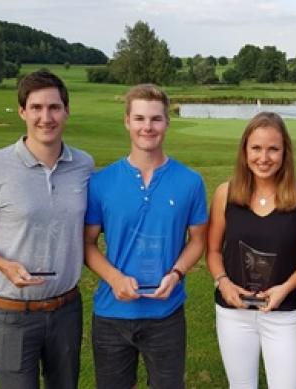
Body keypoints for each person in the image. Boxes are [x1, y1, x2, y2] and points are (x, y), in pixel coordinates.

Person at [0, 70, 93, 388]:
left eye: (54, 107)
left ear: (67, 111)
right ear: (22, 112)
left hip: (67, 309)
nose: (46, 117)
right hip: (13, 312)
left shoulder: (84, 165)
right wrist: (2, 264)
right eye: (36, 108)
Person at [84, 84, 208, 389]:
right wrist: (114, 278)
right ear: (127, 121)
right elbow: (87, 245)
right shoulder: (101, 182)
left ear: (167, 122)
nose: (147, 127)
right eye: (139, 118)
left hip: (166, 314)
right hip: (112, 314)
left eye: (155, 119)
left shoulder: (190, 182)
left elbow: (199, 241)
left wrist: (177, 273)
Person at [206, 112, 296, 389]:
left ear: (285, 152)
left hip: (284, 312)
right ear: (245, 150)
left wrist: (285, 288)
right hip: (233, 312)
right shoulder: (227, 193)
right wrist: (224, 284)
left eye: (273, 149)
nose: (264, 157)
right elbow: (212, 251)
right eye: (256, 148)